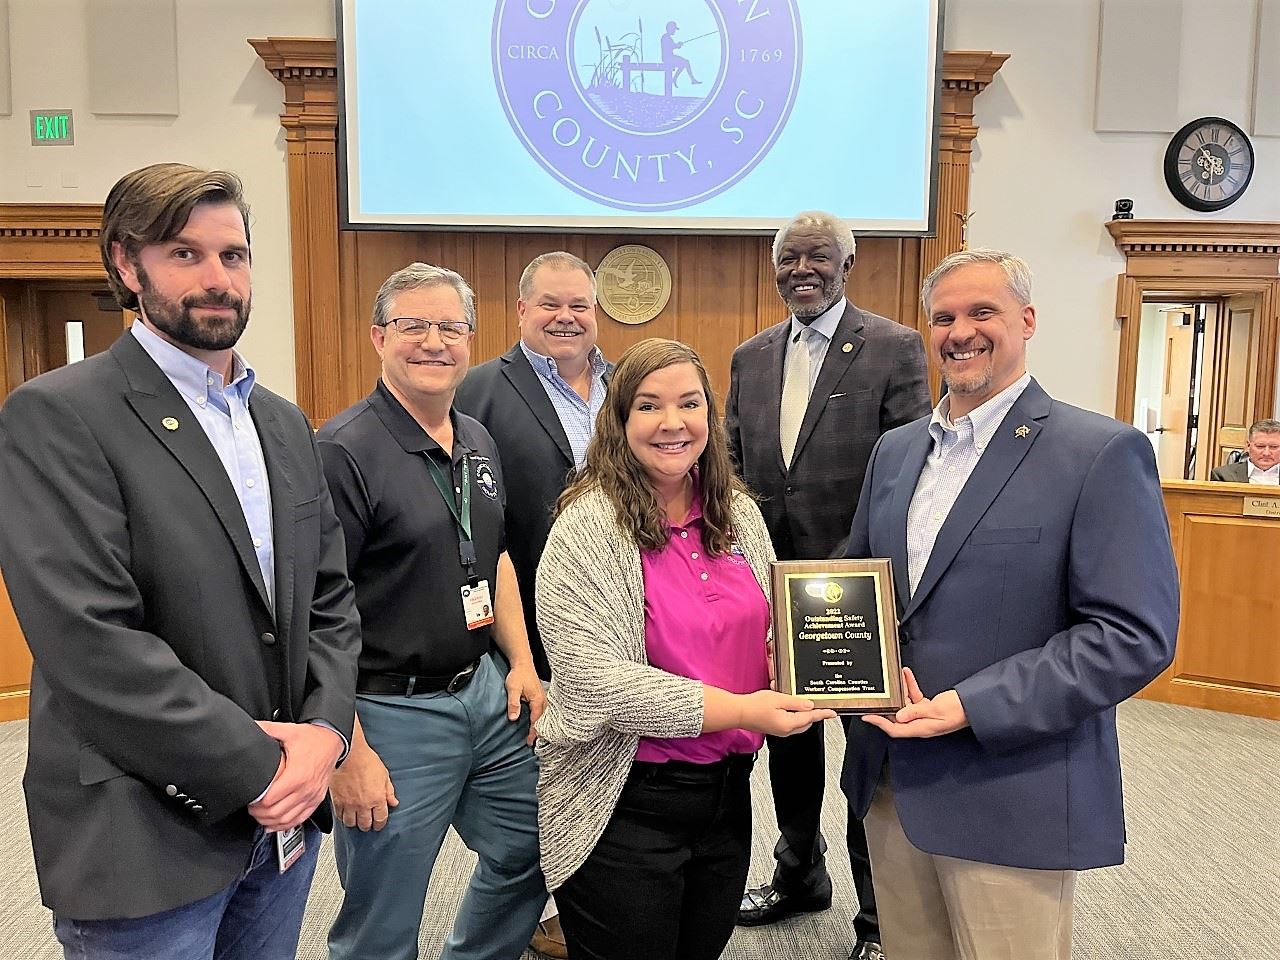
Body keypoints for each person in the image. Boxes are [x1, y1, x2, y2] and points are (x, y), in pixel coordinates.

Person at [0, 163, 361, 960]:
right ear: (128, 266)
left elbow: (330, 600)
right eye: (184, 254)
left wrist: (327, 734)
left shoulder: (283, 422)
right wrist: (261, 769)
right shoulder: (57, 416)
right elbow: (90, 641)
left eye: (233, 256)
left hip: (281, 831)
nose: (217, 278)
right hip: (144, 833)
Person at [840, 249, 1179, 960]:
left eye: (981, 312)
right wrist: (801, 636)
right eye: (943, 317)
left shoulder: (1099, 453)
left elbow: (1131, 635)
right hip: (892, 785)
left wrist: (971, 704)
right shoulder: (896, 452)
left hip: (1010, 787)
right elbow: (860, 572)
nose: (960, 331)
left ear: (1026, 320)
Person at [535, 337, 836, 960]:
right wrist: (746, 709)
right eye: (648, 406)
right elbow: (597, 686)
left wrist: (799, 662)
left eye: (689, 404)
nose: (672, 423)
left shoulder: (740, 517)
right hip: (620, 801)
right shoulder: (587, 527)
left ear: (710, 416)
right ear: (619, 423)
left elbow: (768, 627)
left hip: (728, 796)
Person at [318, 262, 546, 960]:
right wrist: (344, 749)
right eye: (413, 326)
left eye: (450, 326)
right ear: (378, 337)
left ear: (470, 338)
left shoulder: (476, 438)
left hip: (485, 693)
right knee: (383, 917)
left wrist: (523, 665)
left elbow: (496, 558)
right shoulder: (341, 451)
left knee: (536, 851)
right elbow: (313, 614)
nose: (433, 342)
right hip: (389, 714)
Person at [725, 210, 931, 960]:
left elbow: (908, 471)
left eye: (817, 257)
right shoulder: (750, 357)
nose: (801, 270)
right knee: (788, 738)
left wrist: (837, 571)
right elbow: (735, 476)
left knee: (864, 757)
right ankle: (798, 872)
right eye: (788, 258)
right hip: (767, 596)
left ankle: (878, 921)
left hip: (856, 599)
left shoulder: (894, 347)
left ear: (849, 264)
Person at [454, 250, 610, 958]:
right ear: (520, 311)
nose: (565, 317)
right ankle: (538, 917)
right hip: (528, 625)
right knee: (539, 778)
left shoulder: (628, 384)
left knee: (612, 766)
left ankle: (591, 912)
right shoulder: (480, 390)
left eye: (579, 304)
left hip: (622, 617)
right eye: (550, 304)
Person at [1209, 418, 1280, 483]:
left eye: (1273, 447)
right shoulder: (1224, 475)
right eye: (1260, 446)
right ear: (1248, 446)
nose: (1266, 453)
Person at [661, 21, 700, 88]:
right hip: (668, 58)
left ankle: (675, 79)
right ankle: (691, 79)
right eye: (674, 29)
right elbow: (670, 46)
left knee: (683, 64)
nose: (675, 31)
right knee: (686, 62)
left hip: (669, 57)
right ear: (670, 29)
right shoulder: (665, 37)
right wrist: (678, 45)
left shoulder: (667, 37)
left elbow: (672, 46)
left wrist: (678, 45)